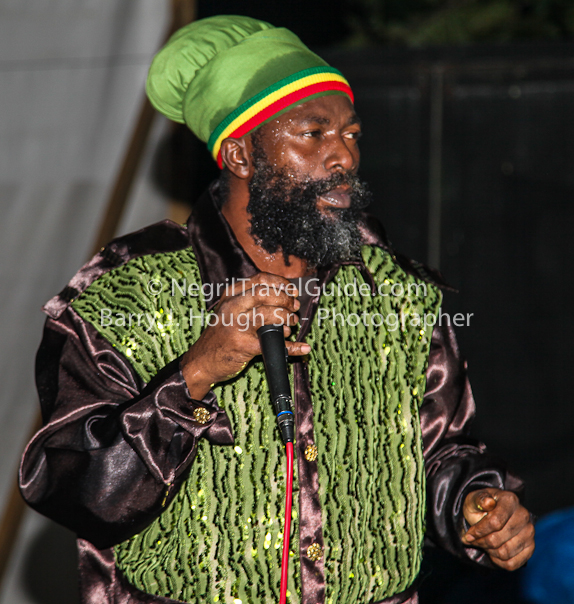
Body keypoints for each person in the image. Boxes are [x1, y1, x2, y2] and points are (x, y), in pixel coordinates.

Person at [20, 15, 534, 604]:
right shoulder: (130, 292)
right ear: (240, 154)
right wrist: (195, 373)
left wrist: (473, 503)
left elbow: (438, 451)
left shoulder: (394, 292)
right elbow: (74, 487)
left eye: (352, 134)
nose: (343, 156)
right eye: (314, 134)